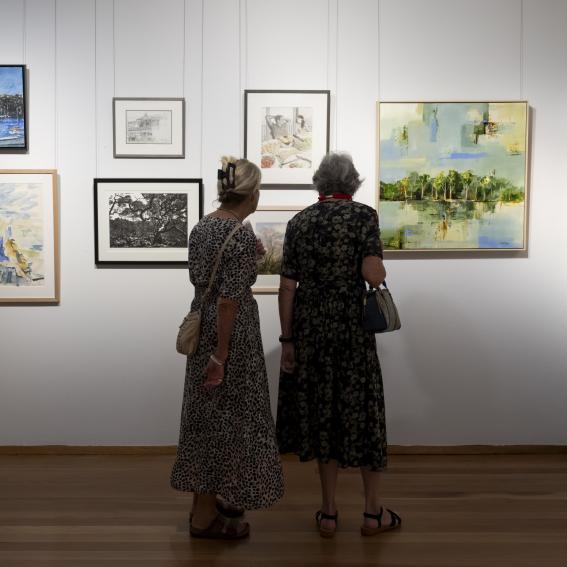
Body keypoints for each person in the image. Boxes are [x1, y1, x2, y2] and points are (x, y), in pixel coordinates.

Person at [276, 152, 401, 538]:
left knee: (322, 415)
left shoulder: (299, 221)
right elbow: (371, 272)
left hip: (312, 328)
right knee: (364, 412)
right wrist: (376, 269)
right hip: (351, 329)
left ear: (319, 183)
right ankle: (371, 512)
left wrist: (288, 340)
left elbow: (286, 286)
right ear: (353, 183)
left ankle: (328, 513)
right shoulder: (364, 217)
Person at [171, 156, 284, 540]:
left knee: (206, 420)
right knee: (234, 422)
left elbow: (206, 287)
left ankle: (204, 508)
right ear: (250, 193)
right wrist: (220, 356)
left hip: (201, 329)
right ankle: (206, 517)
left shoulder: (202, 227)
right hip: (229, 341)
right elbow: (228, 302)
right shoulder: (237, 236)